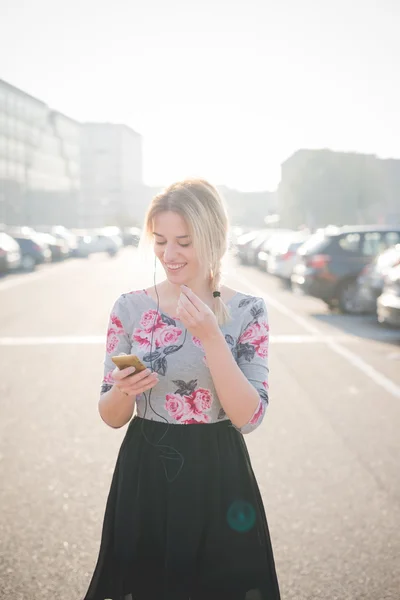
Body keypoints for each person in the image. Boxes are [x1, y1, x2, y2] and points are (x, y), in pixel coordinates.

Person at [83, 179, 281, 600]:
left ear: (214, 239)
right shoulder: (130, 308)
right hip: (146, 471)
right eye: (160, 241)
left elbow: (249, 418)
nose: (169, 256)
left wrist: (211, 337)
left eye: (184, 242)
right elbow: (111, 416)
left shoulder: (248, 310)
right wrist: (124, 390)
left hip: (219, 476)